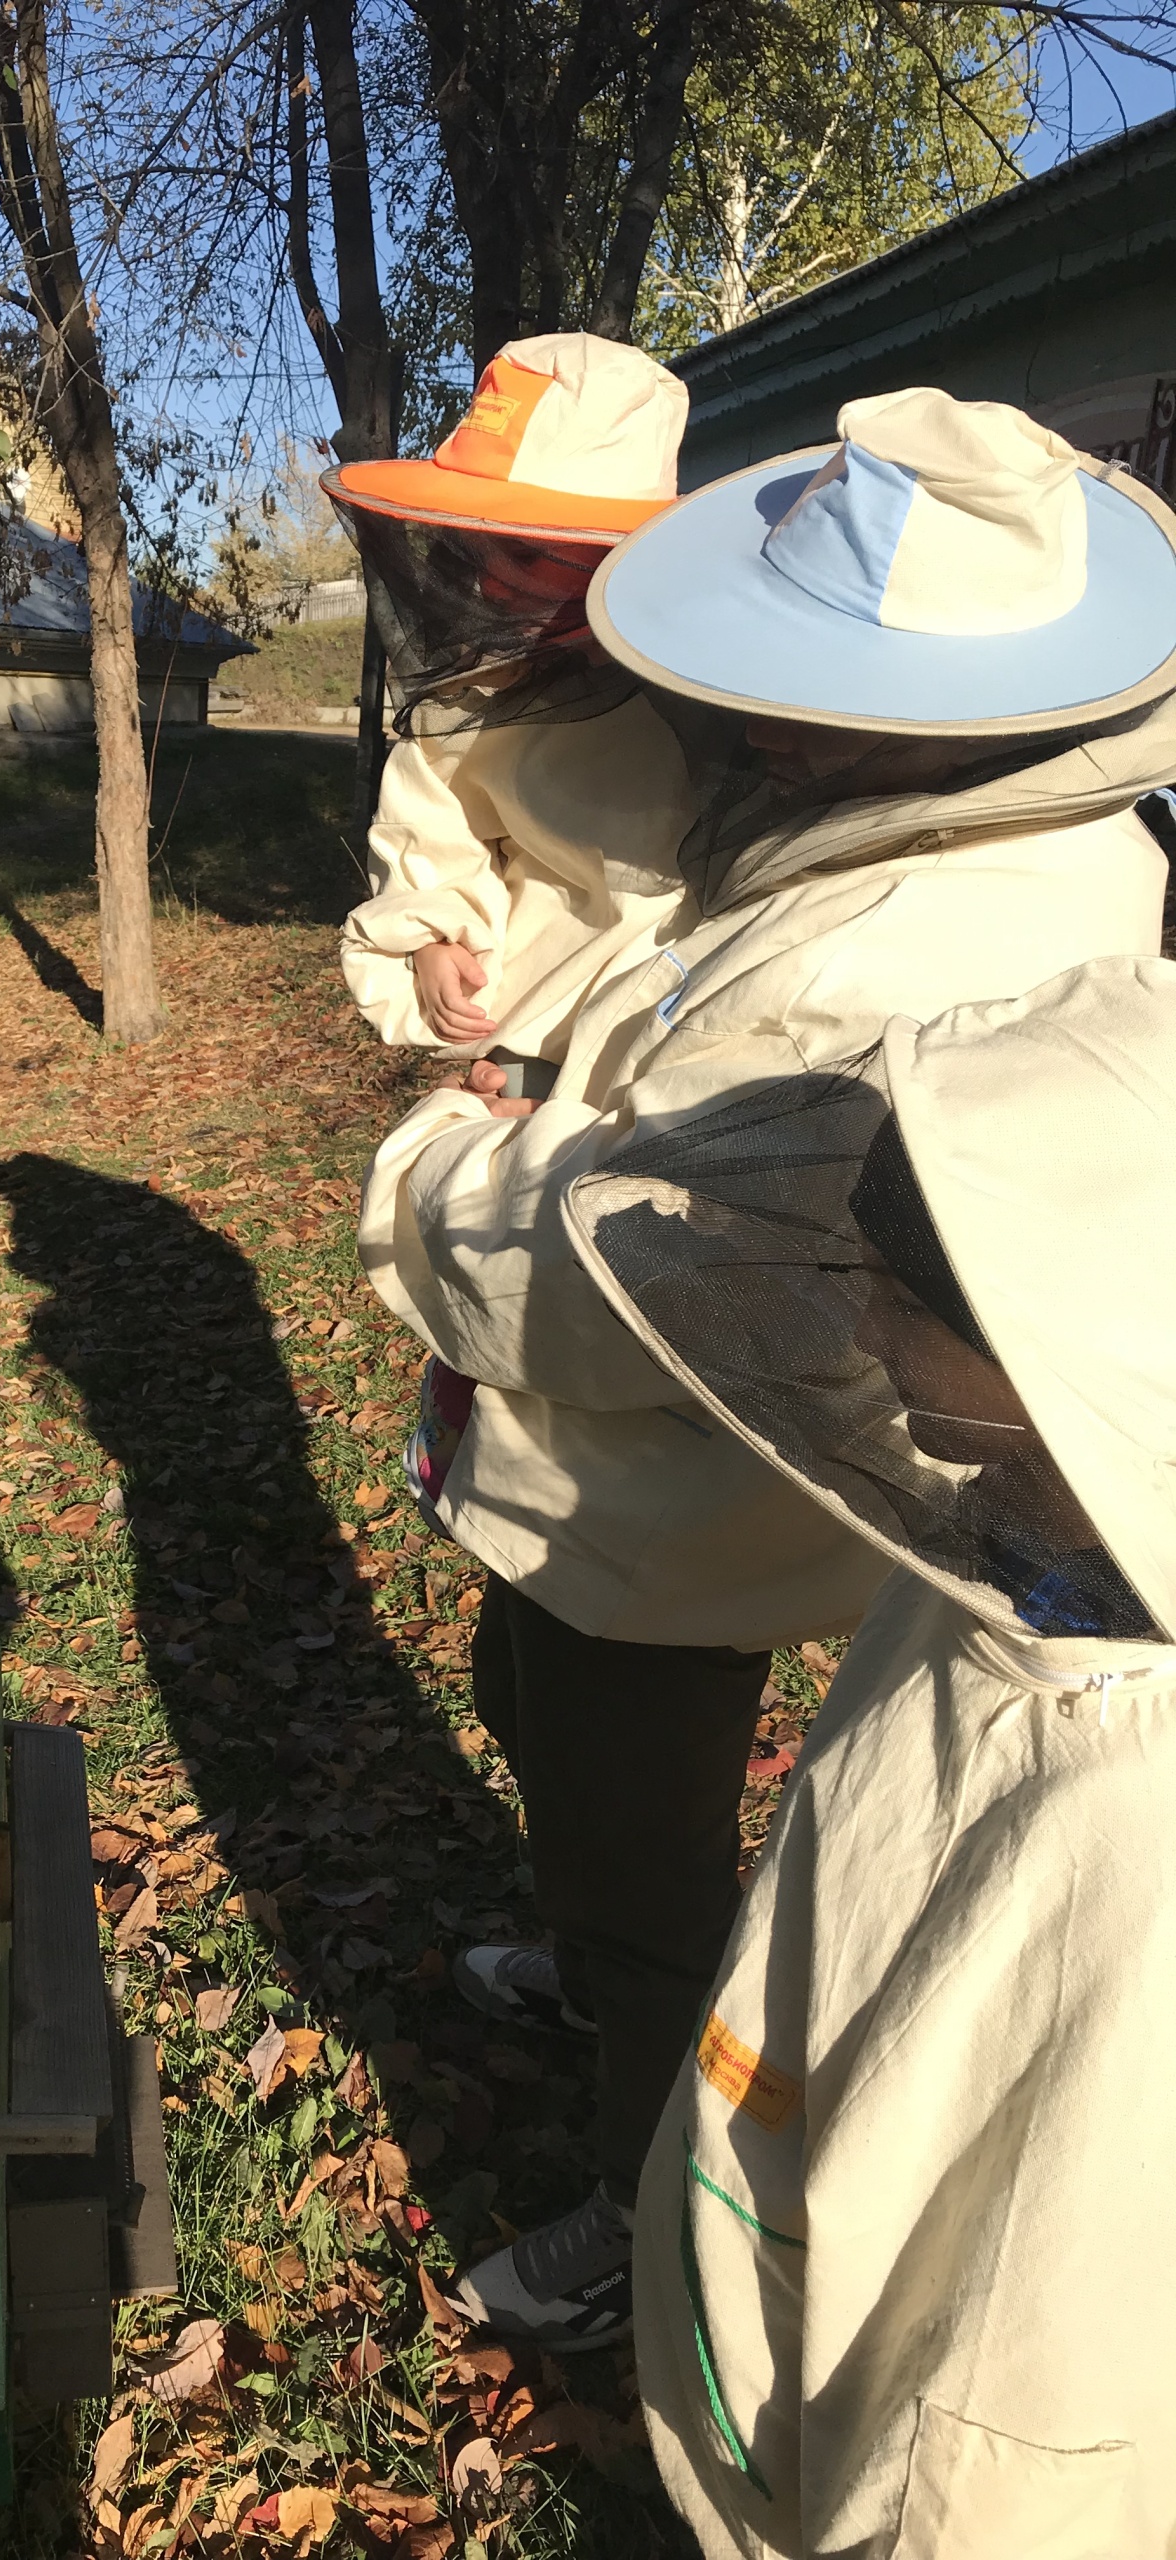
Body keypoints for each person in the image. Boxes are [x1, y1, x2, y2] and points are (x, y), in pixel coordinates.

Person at [355, 386, 1176, 2345]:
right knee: (572, 1741)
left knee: (654, 1876)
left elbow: (616, 1269)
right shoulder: (1014, 845)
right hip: (788, 1477)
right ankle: (624, 1977)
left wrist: (436, 1161)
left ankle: (661, 2249)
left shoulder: (891, 937)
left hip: (689, 1479)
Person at [555, 955, 1176, 2558]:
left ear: (1082, 1353)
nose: (861, 1318)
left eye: (909, 1287)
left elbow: (1031, 2439)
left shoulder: (1137, 1831)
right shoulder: (1013, 1562)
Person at [330, 333, 692, 1084]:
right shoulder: (477, 698)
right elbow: (433, 836)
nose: (491, 586)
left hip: (677, 1056)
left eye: (525, 555)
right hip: (522, 1040)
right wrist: (433, 941)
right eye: (480, 550)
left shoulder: (719, 693)